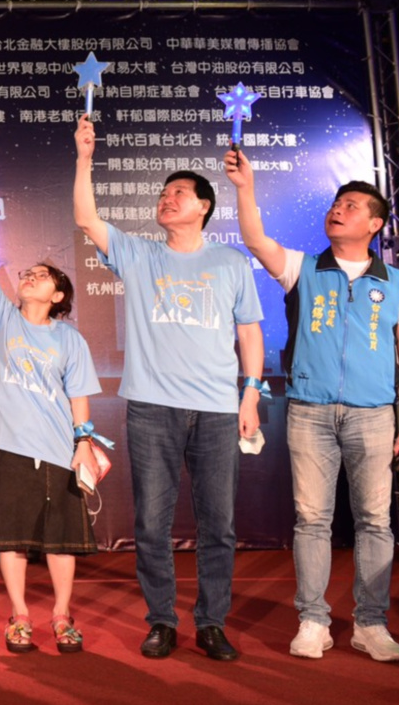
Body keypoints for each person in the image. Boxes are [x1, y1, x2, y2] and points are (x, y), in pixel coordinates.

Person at [74, 115, 264, 661]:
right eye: (163, 193)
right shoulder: (139, 254)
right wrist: (84, 158)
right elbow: (86, 218)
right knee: (151, 524)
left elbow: (249, 332)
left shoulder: (230, 262)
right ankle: (161, 620)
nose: (167, 198)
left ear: (204, 206)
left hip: (217, 410)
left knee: (218, 524)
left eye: (179, 192)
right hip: (152, 408)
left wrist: (250, 393)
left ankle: (211, 623)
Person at [226, 150, 399, 663]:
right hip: (310, 412)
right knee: (312, 519)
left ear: (375, 224)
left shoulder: (398, 284)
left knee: (375, 521)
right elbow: (256, 240)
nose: (339, 209)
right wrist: (245, 188)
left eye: (352, 205)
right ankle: (313, 620)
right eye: (337, 203)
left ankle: (370, 623)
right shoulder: (303, 267)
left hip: (374, 415)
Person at [0, 182, 102, 653]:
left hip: (59, 450)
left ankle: (61, 615)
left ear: (57, 295)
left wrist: (83, 442)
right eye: (27, 273)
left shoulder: (69, 340)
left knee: (60, 541)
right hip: (9, 448)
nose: (30, 277)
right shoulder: (4, 319)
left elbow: (78, 395)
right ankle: (20, 614)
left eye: (41, 276)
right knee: (11, 539)